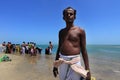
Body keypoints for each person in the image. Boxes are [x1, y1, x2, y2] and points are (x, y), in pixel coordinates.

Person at [53, 7, 91, 80]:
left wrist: (87, 70)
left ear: (75, 16)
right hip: (62, 61)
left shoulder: (80, 31)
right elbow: (59, 48)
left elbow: (84, 50)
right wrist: (55, 66)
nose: (69, 15)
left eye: (71, 14)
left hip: (75, 61)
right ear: (63, 17)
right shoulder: (61, 32)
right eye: (67, 14)